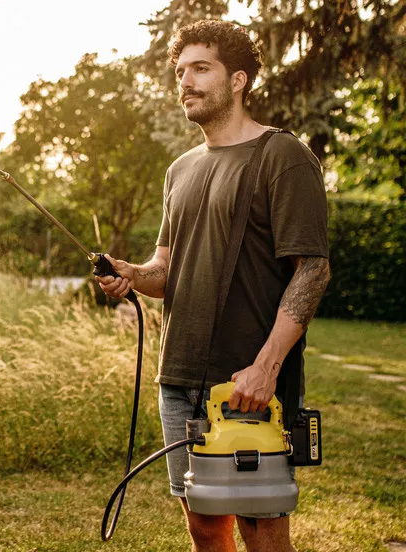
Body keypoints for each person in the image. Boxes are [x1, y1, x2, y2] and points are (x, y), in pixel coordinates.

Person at [96, 20, 331, 552]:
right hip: (177, 378)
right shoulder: (180, 170)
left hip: (246, 380)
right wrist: (133, 274)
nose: (187, 81)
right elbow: (166, 270)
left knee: (259, 527)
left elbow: (312, 269)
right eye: (181, 71)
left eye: (202, 69)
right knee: (203, 523)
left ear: (239, 80)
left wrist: (266, 367)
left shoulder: (282, 156)